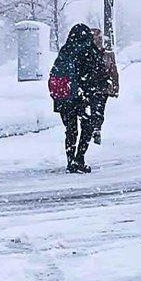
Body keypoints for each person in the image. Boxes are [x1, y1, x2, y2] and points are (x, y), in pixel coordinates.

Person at [49, 24, 106, 173]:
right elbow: (97, 73)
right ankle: (79, 158)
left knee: (70, 129)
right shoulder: (89, 50)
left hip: (64, 97)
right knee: (87, 126)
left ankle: (70, 161)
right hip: (82, 96)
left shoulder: (65, 50)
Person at [89, 28, 120, 145]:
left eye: (100, 38)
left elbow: (114, 71)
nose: (99, 41)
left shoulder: (108, 54)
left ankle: (96, 129)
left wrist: (115, 87)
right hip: (90, 86)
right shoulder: (87, 54)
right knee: (94, 109)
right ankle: (93, 129)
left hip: (103, 87)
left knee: (99, 109)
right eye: (96, 38)